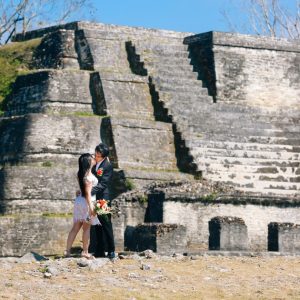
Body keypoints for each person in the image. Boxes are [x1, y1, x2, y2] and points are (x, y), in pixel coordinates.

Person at [65, 153, 100, 259]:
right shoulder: (89, 177)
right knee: (86, 228)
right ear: (89, 162)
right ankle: (85, 251)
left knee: (75, 227)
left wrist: (79, 192)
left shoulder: (80, 174)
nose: (94, 159)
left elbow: (82, 189)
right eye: (92, 158)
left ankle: (67, 251)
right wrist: (91, 208)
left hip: (79, 201)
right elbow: (88, 194)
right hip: (86, 202)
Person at [89, 143, 115, 259]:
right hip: (94, 199)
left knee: (106, 224)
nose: (96, 155)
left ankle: (111, 250)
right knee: (96, 225)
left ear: (103, 156)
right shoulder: (94, 165)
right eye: (96, 152)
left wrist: (90, 191)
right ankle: (99, 250)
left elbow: (103, 184)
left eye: (98, 154)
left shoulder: (107, 166)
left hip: (102, 199)